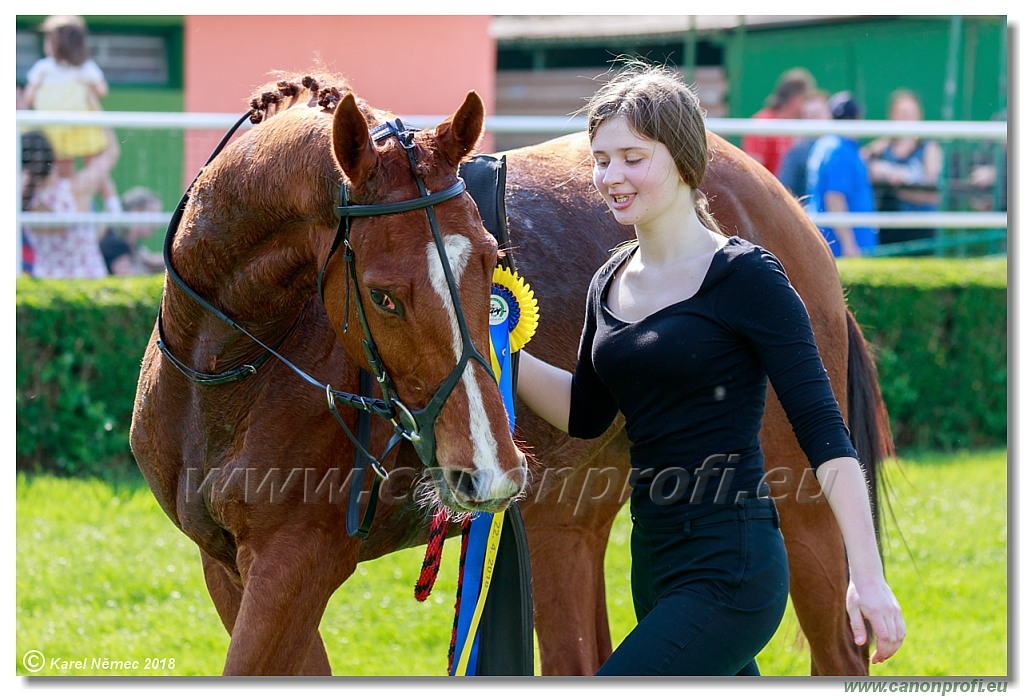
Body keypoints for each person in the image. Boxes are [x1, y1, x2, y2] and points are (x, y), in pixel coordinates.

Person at [515, 62, 905, 676]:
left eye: (631, 158)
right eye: (601, 159)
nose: (611, 177)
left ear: (682, 157)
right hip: (658, 563)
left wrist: (867, 575)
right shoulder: (608, 281)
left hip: (734, 568)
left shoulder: (747, 276)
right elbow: (586, 414)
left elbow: (825, 432)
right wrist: (498, 352)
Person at [21, 128, 120, 279]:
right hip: (89, 280)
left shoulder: (22, 197)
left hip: (46, 283)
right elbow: (111, 151)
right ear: (52, 157)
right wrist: (92, 108)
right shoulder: (76, 189)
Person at [860, 89, 943, 251]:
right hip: (887, 226)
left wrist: (898, 184)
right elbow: (858, 164)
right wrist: (875, 170)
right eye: (902, 114)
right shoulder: (883, 146)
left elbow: (932, 194)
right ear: (892, 116)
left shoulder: (929, 148)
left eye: (911, 114)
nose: (907, 119)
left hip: (920, 228)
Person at [24, 15, 110, 169]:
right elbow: (28, 98)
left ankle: (107, 194)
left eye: (50, 40)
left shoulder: (83, 67)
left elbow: (101, 90)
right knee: (65, 165)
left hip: (80, 125)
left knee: (89, 162)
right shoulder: (43, 68)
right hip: (54, 126)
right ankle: (67, 193)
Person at [806, 92, 878, 258]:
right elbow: (835, 198)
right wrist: (849, 244)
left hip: (827, 239)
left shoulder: (825, 145)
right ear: (858, 118)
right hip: (841, 246)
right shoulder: (840, 150)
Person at [741, 67, 816, 177]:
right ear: (795, 98)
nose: (808, 105)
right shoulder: (762, 123)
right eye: (806, 99)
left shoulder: (797, 127)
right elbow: (753, 171)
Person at [777, 89, 831, 201]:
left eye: (817, 115)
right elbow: (785, 191)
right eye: (809, 116)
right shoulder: (795, 154)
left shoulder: (841, 148)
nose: (813, 122)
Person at [100, 186, 166, 275]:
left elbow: (152, 262)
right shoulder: (116, 242)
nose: (156, 223)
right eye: (153, 214)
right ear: (136, 211)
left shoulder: (131, 241)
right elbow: (126, 277)